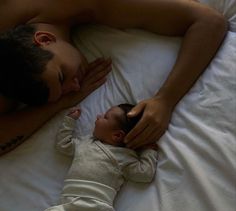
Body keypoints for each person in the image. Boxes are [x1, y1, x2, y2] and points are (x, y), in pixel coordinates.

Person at [0, 0, 227, 155]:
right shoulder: (17, 61)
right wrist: (61, 102)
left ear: (45, 39)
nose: (75, 84)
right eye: (67, 87)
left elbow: (209, 22)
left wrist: (165, 100)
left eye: (63, 76)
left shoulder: (104, 4)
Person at [36, 103, 158, 211]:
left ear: (117, 135)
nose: (98, 116)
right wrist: (69, 122)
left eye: (105, 117)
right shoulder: (84, 143)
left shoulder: (125, 157)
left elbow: (144, 174)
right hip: (68, 210)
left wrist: (149, 150)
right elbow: (63, 145)